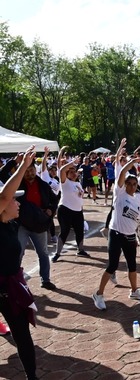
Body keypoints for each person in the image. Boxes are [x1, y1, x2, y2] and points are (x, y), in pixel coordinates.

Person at [0, 146, 39, 380]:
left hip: (9, 289)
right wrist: (23, 166)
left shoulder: (12, 225)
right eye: (16, 200)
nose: (18, 203)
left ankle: (31, 378)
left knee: (22, 335)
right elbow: (4, 195)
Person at [91, 157, 140, 310]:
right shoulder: (119, 194)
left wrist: (135, 236)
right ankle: (99, 294)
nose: (132, 186)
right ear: (124, 185)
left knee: (132, 265)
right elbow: (122, 172)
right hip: (116, 234)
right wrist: (133, 161)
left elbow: (134, 221)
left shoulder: (136, 201)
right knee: (112, 265)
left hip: (129, 237)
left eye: (134, 184)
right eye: (129, 183)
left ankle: (134, 291)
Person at [0, 152, 58, 290]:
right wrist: (15, 162)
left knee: (43, 253)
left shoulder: (43, 185)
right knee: (17, 252)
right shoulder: (18, 185)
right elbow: (2, 175)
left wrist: (50, 210)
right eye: (26, 171)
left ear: (35, 170)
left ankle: (45, 279)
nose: (29, 173)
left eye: (31, 170)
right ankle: (15, 280)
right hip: (22, 224)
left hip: (38, 225)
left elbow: (54, 200)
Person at [51, 153, 89, 262]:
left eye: (74, 172)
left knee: (79, 231)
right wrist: (73, 163)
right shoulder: (65, 182)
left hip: (77, 211)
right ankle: (57, 253)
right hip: (65, 210)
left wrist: (81, 210)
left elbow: (80, 198)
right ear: (67, 174)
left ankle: (80, 249)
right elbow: (62, 170)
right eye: (71, 172)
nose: (73, 174)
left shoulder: (78, 184)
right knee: (65, 231)